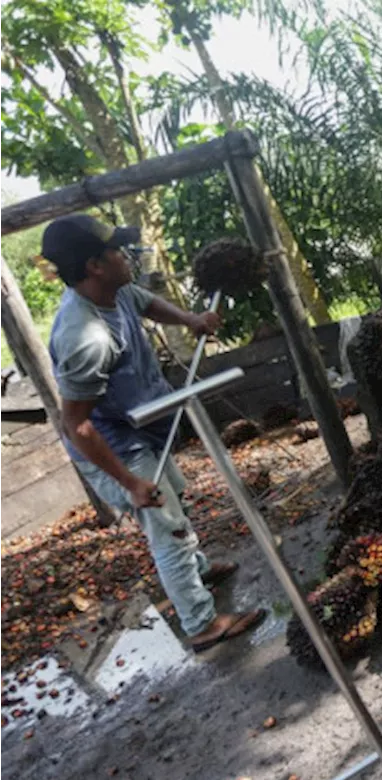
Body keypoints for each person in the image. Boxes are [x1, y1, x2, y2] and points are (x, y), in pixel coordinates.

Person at [43, 214, 265, 652]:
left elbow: (145, 303)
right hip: (113, 444)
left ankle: (194, 571)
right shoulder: (85, 337)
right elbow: (77, 423)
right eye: (116, 250)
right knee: (166, 526)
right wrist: (129, 483)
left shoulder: (115, 288)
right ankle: (201, 623)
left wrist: (191, 320)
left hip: (143, 424)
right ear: (94, 265)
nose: (127, 255)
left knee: (174, 499)